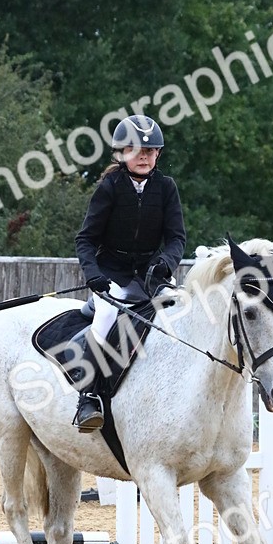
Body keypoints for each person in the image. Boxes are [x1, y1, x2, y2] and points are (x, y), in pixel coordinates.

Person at [73, 114, 186, 432]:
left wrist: (166, 262)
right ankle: (89, 398)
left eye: (150, 151)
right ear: (122, 153)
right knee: (105, 321)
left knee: (182, 317)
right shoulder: (110, 187)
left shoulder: (166, 188)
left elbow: (176, 238)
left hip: (152, 276)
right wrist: (94, 274)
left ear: (158, 154)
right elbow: (85, 239)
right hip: (113, 276)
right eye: (137, 150)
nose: (144, 156)